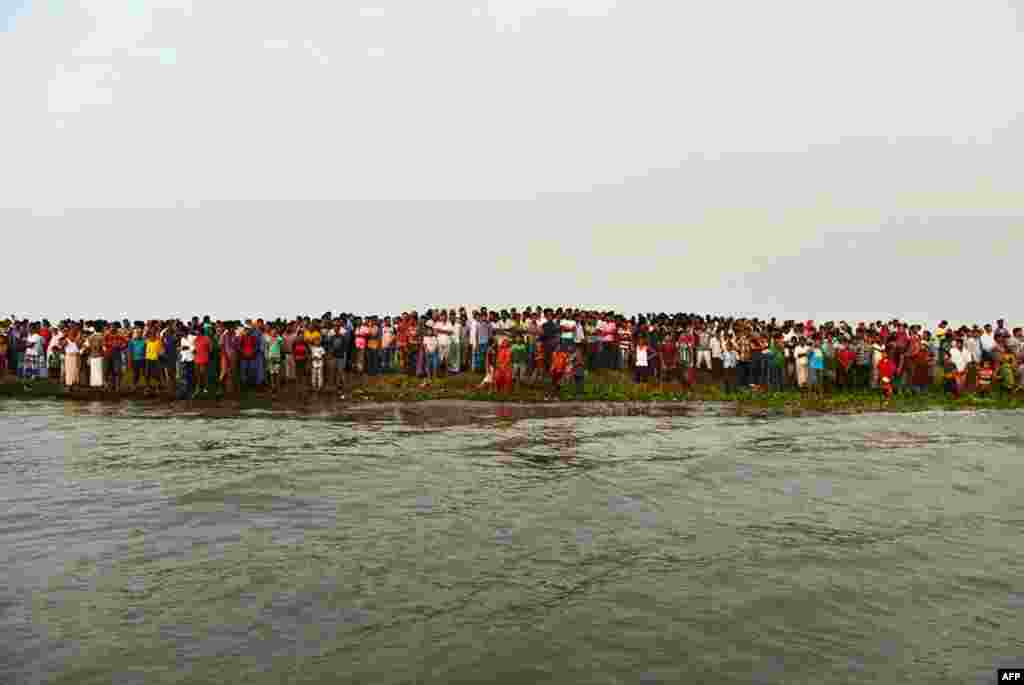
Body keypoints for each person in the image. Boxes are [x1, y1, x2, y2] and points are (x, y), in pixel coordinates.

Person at [193, 325, 212, 396]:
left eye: (197, 331)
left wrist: (206, 353)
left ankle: (205, 388)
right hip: (197, 359)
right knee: (198, 375)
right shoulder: (195, 339)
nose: (196, 332)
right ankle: (198, 388)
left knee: (204, 374)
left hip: (204, 359)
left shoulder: (207, 338)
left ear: (200, 331)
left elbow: (210, 349)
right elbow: (195, 348)